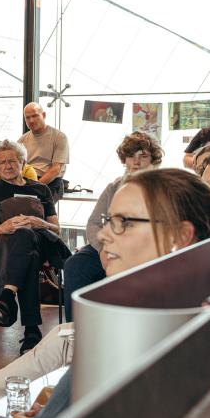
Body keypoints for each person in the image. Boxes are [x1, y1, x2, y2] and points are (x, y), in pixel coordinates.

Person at [0, 168, 210, 418]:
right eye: (109, 220)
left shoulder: (147, 330)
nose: (104, 234)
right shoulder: (194, 304)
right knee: (63, 331)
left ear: (180, 235)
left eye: (123, 222)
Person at [0, 140, 70, 354]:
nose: (7, 166)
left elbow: (56, 229)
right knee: (28, 251)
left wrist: (39, 222)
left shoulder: (41, 189)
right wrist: (3, 227)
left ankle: (7, 298)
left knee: (27, 238)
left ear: (23, 162)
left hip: (43, 243)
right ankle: (31, 331)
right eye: (2, 162)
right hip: (7, 247)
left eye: (12, 161)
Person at [63, 131, 162, 321]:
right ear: (124, 159)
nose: (136, 162)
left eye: (143, 156)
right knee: (75, 265)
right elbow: (93, 223)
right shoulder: (113, 187)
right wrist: (102, 249)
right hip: (108, 244)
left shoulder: (163, 189)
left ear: (153, 160)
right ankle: (75, 328)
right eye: (131, 156)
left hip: (143, 249)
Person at [18, 103, 69, 202]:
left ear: (44, 115)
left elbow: (56, 169)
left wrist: (34, 187)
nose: (31, 120)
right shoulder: (22, 140)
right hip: (27, 181)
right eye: (27, 117)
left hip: (51, 181)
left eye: (35, 116)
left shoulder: (59, 137)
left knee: (37, 207)